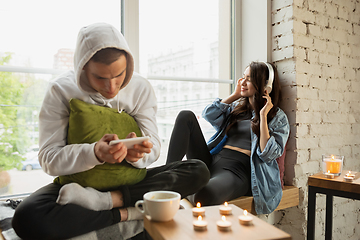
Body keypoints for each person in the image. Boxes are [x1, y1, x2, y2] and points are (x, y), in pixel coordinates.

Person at [12, 23, 209, 240]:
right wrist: (95, 153)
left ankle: (109, 203)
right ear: (82, 67)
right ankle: (130, 212)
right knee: (26, 217)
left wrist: (140, 153)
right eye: (101, 78)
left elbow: (154, 144)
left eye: (119, 75)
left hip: (132, 183)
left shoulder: (140, 87)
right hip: (79, 187)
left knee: (198, 170)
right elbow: (49, 159)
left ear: (129, 65)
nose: (112, 87)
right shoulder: (60, 90)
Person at [166, 61, 290, 214]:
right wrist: (235, 94)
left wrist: (263, 116)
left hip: (237, 171)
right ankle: (166, 176)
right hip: (213, 160)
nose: (243, 82)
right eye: (243, 77)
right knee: (186, 116)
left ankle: (178, 185)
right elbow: (209, 115)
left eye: (249, 79)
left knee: (205, 196)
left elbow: (268, 153)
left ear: (266, 86)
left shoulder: (277, 117)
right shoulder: (236, 108)